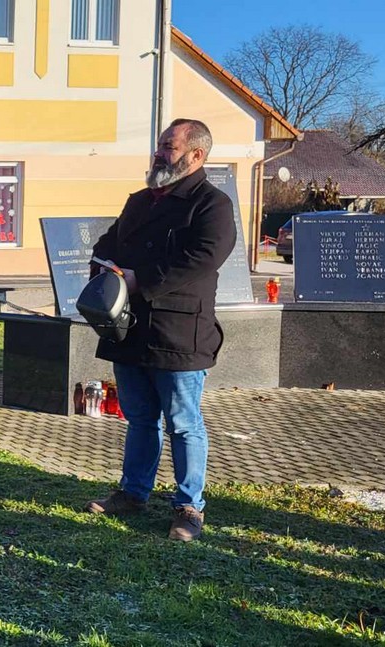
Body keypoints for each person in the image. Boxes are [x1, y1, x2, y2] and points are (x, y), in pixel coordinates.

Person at [82, 118, 235, 542]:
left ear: (196, 155)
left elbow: (202, 258)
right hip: (129, 329)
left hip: (178, 333)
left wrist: (138, 279)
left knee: (183, 424)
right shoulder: (140, 200)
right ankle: (133, 493)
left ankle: (189, 507)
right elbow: (106, 245)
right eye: (160, 145)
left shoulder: (211, 204)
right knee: (140, 419)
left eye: (169, 146)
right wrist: (105, 270)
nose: (159, 152)